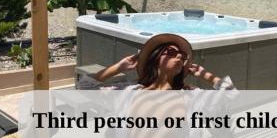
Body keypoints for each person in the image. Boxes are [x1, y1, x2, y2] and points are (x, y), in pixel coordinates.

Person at [77, 33, 234, 91]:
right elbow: (84, 87)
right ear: (155, 59)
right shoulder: (130, 90)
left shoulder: (189, 93)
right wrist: (119, 67)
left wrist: (206, 76)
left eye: (182, 55)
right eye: (171, 52)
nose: (179, 57)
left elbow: (232, 96)